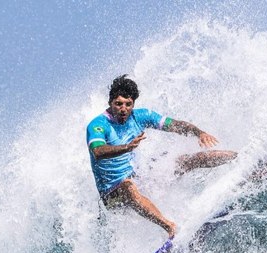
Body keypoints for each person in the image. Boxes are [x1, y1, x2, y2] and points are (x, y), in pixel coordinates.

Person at [86, 75, 237, 238]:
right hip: (112, 195)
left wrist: (199, 133)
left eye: (128, 104)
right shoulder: (98, 125)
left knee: (184, 161)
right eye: (118, 104)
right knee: (127, 186)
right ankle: (170, 227)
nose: (123, 109)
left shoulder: (141, 116)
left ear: (133, 104)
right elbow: (98, 151)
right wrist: (126, 147)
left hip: (137, 181)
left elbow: (176, 125)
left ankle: (242, 159)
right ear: (110, 102)